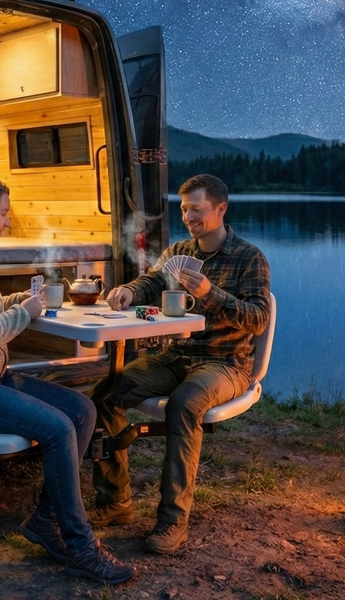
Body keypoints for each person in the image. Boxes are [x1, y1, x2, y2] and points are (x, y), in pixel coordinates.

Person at [0, 173, 135, 585]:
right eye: (2, 213)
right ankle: (82, 548)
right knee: (56, 427)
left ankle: (44, 521)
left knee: (82, 410)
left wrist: (19, 301)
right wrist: (22, 315)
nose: (7, 222)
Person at [91, 174, 271, 554]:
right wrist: (127, 290)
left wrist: (209, 292)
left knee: (184, 404)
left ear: (221, 209)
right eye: (184, 208)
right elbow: (151, 282)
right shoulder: (177, 252)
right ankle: (115, 502)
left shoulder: (248, 257)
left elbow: (258, 319)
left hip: (227, 363)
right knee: (106, 394)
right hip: (177, 357)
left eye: (197, 209)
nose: (188, 215)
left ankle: (173, 521)